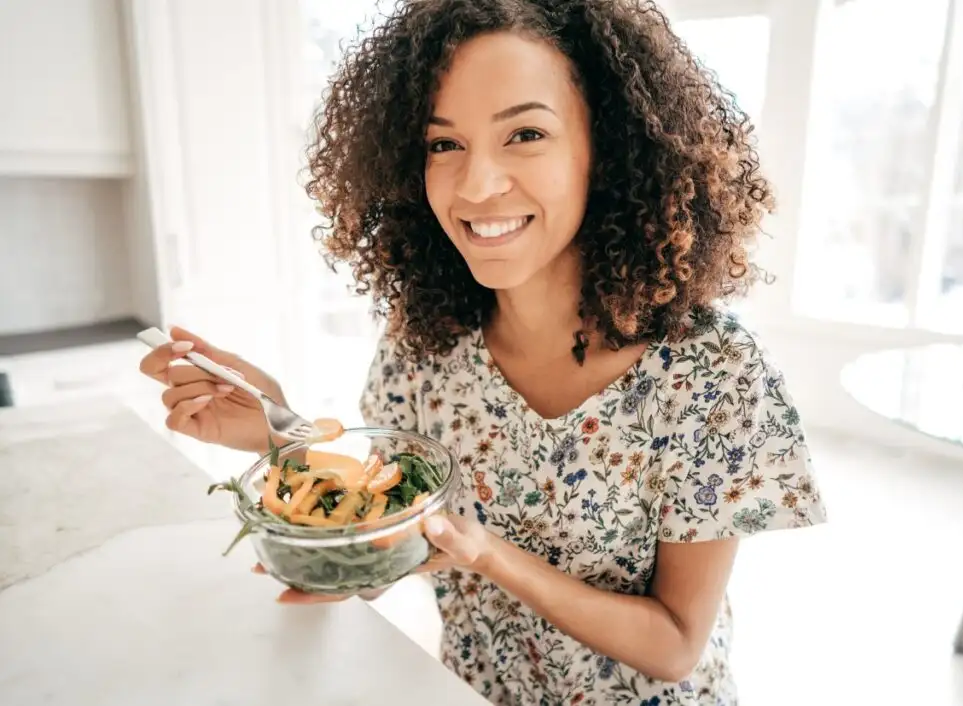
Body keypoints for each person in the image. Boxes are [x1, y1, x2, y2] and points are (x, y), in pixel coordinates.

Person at [138, 1, 827, 703]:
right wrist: (280, 434)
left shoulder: (712, 373)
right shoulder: (424, 343)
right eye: (444, 145)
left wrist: (489, 555)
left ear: (608, 149)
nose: (475, 185)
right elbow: (388, 545)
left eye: (525, 134)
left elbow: (675, 646)